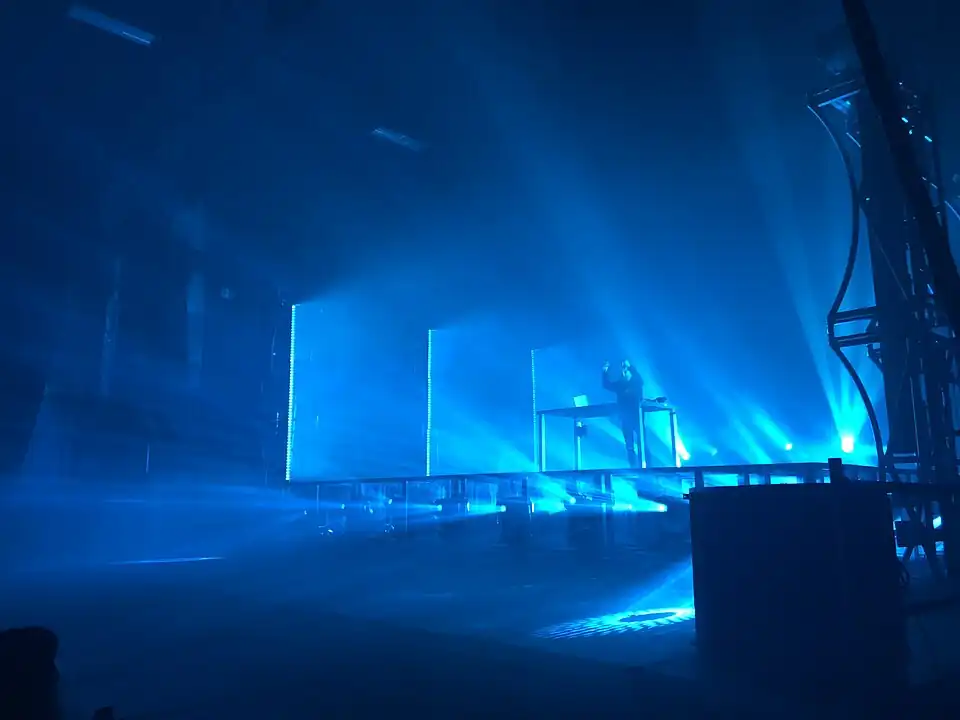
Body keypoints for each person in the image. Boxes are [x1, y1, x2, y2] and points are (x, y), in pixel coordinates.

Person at [602, 360, 644, 468]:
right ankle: (633, 466)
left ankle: (646, 466)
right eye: (623, 371)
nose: (623, 372)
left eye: (626, 371)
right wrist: (605, 371)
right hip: (626, 418)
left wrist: (629, 366)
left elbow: (639, 379)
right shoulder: (621, 385)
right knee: (629, 445)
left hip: (637, 417)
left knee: (642, 442)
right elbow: (607, 385)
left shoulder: (636, 383)